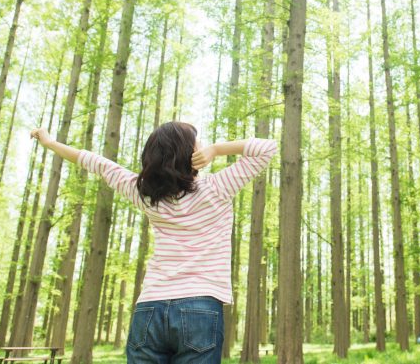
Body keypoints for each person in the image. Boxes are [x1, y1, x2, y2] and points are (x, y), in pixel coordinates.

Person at [30, 122, 278, 364]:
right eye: (198, 143)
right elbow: (267, 147)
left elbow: (95, 162)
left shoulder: (145, 195)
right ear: (190, 154)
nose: (202, 147)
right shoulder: (218, 187)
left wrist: (50, 142)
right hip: (200, 306)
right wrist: (218, 149)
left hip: (149, 307)